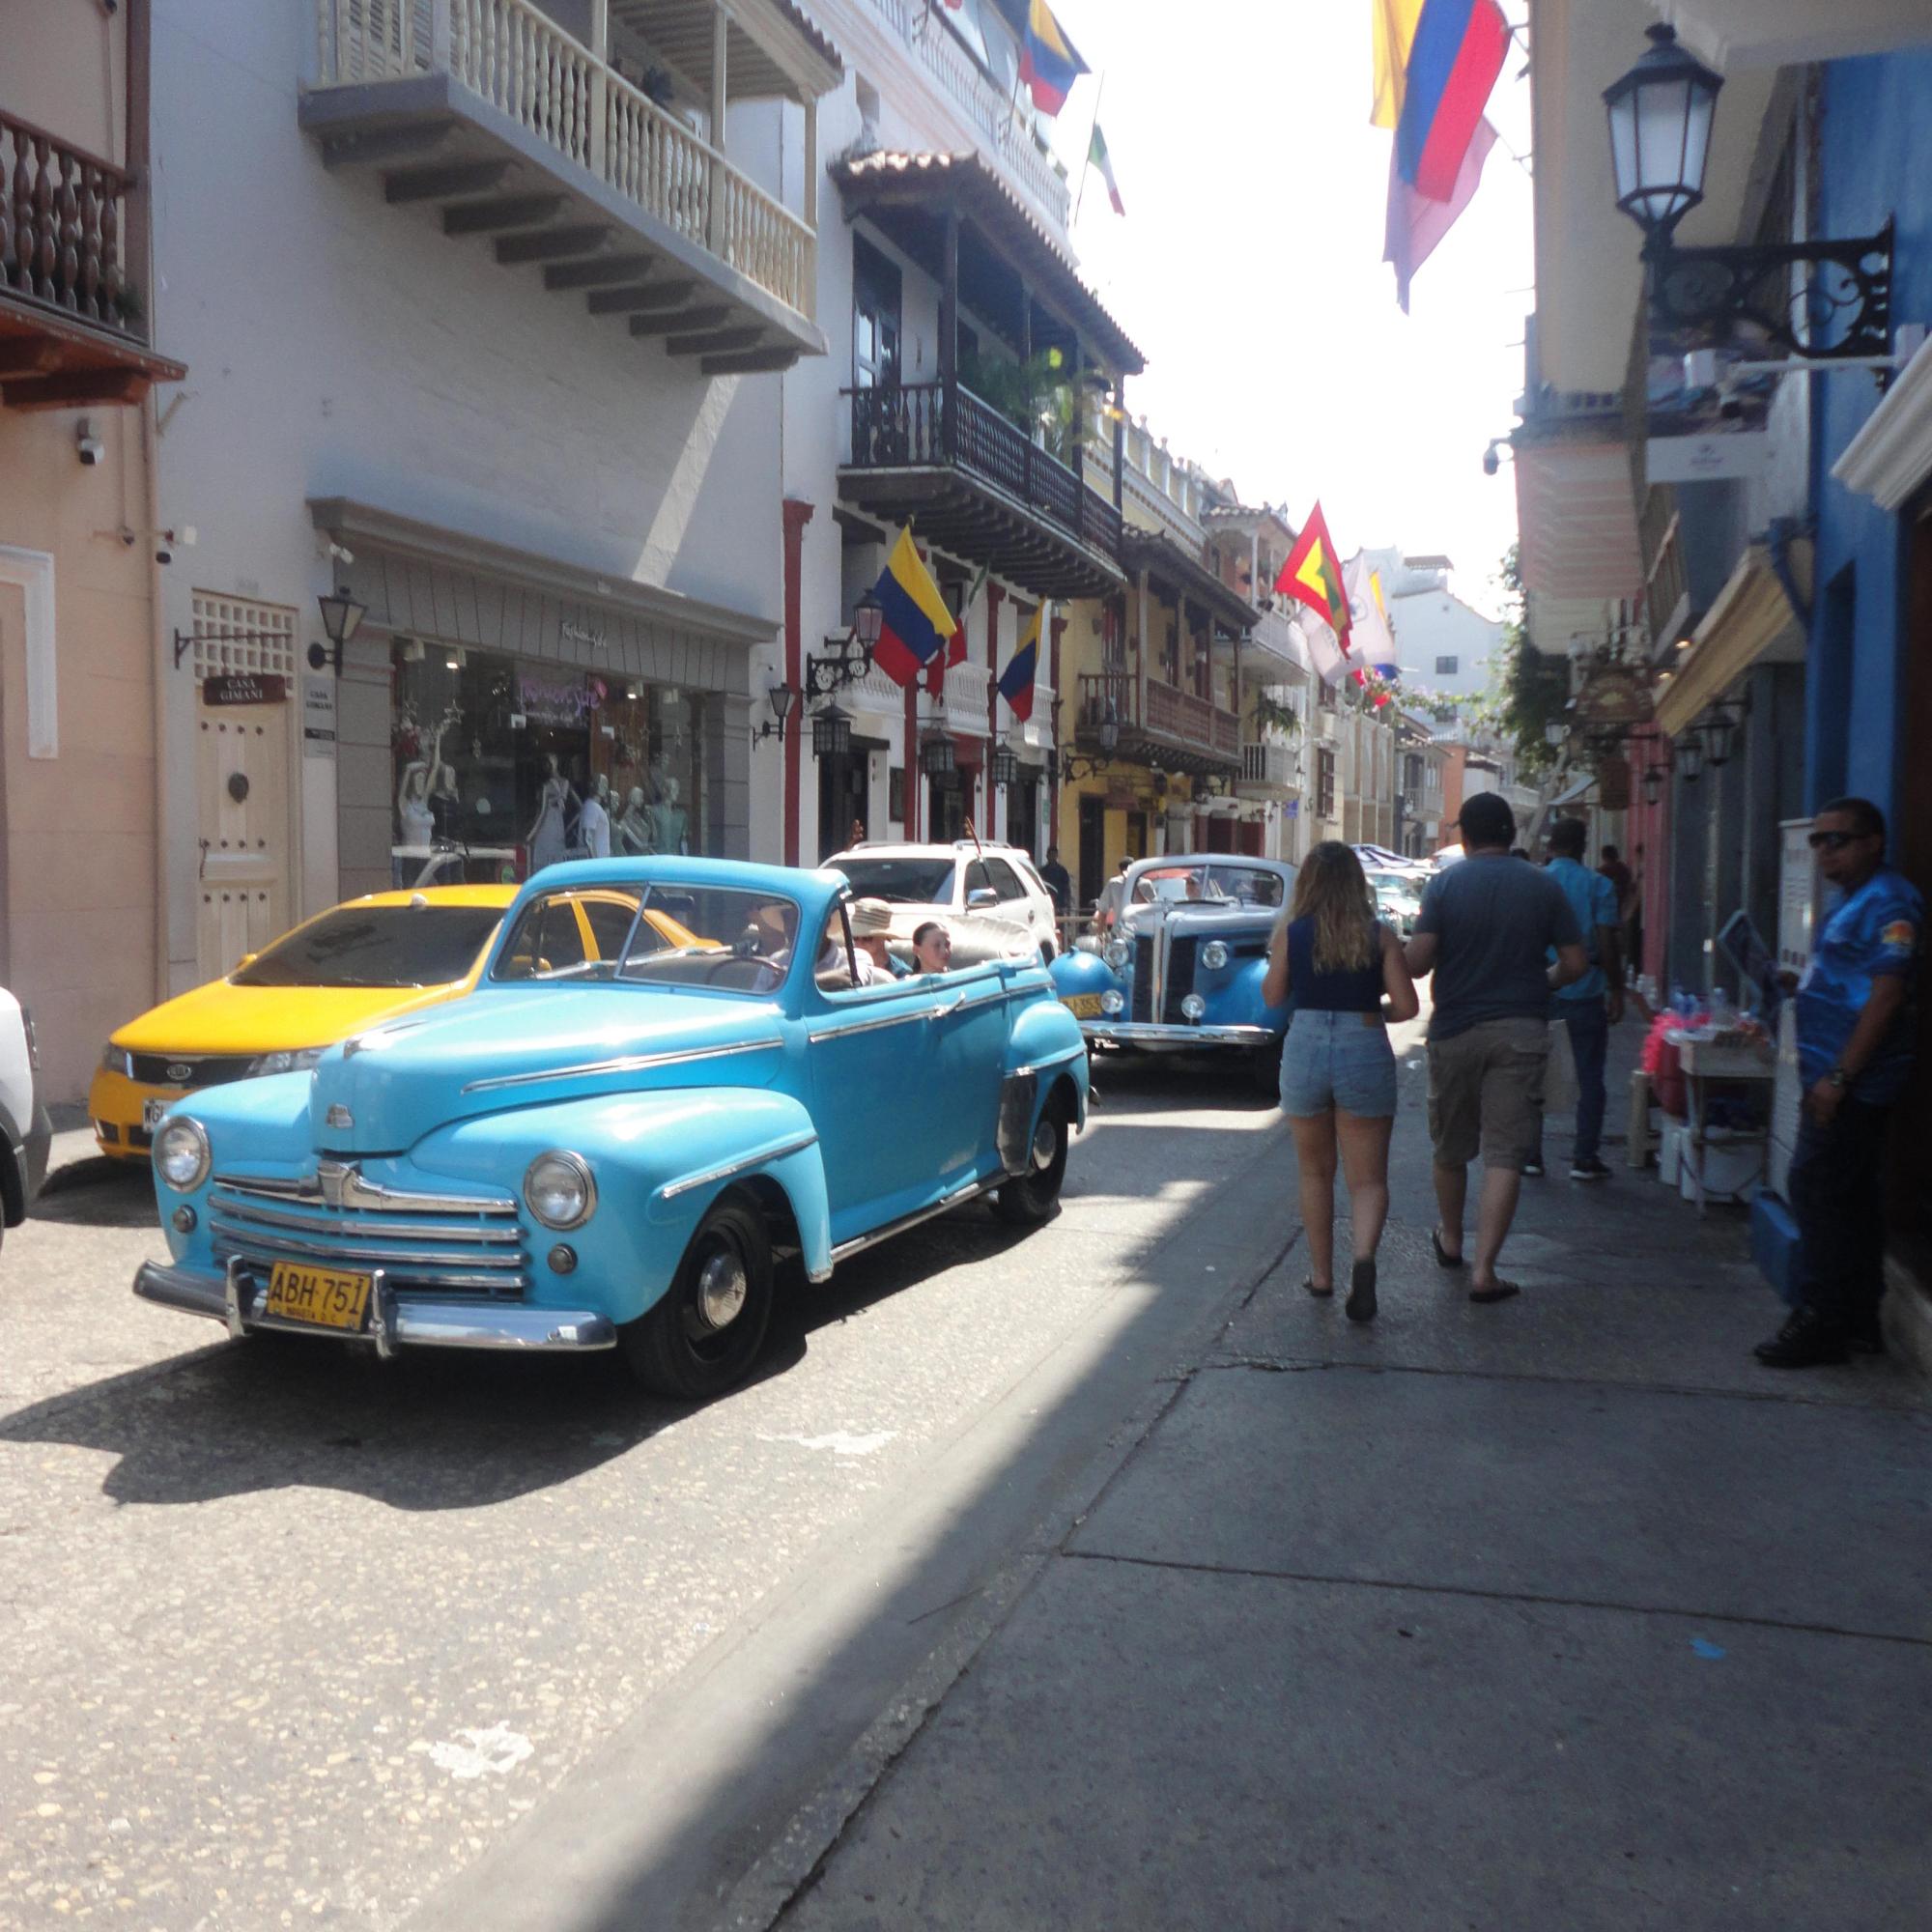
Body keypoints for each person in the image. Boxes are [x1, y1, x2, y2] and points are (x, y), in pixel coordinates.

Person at [1755, 797, 1922, 1368]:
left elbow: (1886, 994)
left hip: (1851, 1082)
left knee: (1818, 1193)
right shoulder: (1852, 900)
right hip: (1828, 1073)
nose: (1825, 849)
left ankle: (1821, 1319)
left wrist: (1840, 1077)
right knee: (1846, 1199)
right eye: (1818, 840)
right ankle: (1855, 1318)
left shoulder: (1891, 902)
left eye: (1839, 839)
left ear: (1874, 841)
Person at [1404, 793, 1589, 1304]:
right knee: (1506, 1152)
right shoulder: (1543, 885)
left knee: (1450, 1147)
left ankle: (1451, 1239)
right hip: (1522, 1031)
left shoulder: (1444, 884)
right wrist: (1542, 982)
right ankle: (1485, 1271)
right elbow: (1576, 963)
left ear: (1464, 835)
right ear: (1510, 834)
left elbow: (1418, 962)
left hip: (1455, 1030)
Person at [1264, 842, 1419, 1323]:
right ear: (1358, 884)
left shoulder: (1293, 933)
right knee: (1368, 1178)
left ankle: (1322, 1276)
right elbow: (1410, 1007)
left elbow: (1272, 997)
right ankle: (1364, 1262)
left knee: (1314, 1172)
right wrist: (1375, 1012)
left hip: (1307, 1045)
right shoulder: (1381, 937)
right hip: (1364, 1045)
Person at [1526, 818, 1624, 1181]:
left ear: (1551, 845)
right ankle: (1584, 1157)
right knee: (1590, 1077)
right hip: (1586, 990)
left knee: (1535, 1073)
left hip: (1541, 992)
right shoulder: (1599, 885)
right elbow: (1608, 943)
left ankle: (1531, 1155)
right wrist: (1616, 989)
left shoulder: (1535, 883)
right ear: (1585, 847)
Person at [848, 897, 908, 980]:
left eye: (867, 938)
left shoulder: (900, 973)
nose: (859, 943)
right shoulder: (845, 966)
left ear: (883, 937)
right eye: (855, 938)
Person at [1038, 845, 1072, 917]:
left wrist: (1068, 906)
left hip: (1059, 905)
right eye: (1051, 855)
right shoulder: (1042, 871)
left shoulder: (1062, 871)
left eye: (1054, 855)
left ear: (1057, 856)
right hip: (1046, 904)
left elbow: (1067, 889)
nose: (1052, 857)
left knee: (1060, 925)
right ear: (1047, 856)